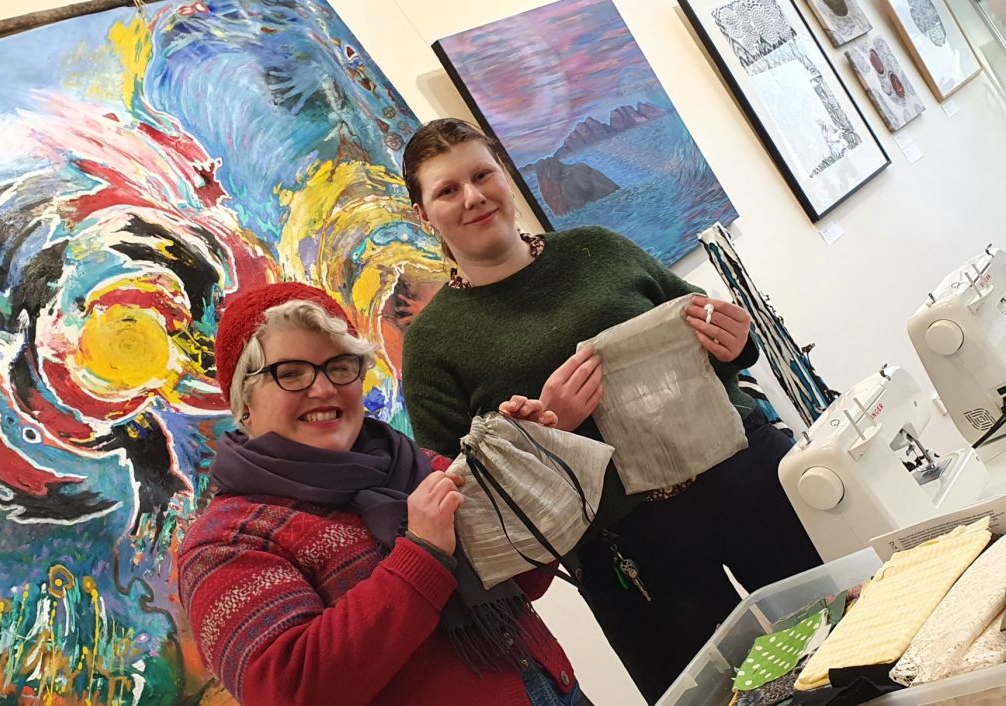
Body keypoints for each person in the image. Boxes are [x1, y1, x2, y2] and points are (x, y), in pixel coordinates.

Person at [400, 118, 822, 703]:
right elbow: (465, 502)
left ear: (504, 174)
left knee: (861, 635)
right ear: (424, 215)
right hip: (632, 556)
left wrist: (735, 344)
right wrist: (548, 438)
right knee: (727, 698)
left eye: (481, 174)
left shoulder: (596, 248)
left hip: (746, 479)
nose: (472, 197)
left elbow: (709, 341)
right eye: (447, 190)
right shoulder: (431, 345)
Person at [178, 281, 589, 706]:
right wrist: (423, 554)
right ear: (243, 401)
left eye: (339, 366)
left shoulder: (414, 462)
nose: (322, 389)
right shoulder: (223, 541)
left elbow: (525, 579)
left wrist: (528, 465)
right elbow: (291, 689)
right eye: (291, 373)